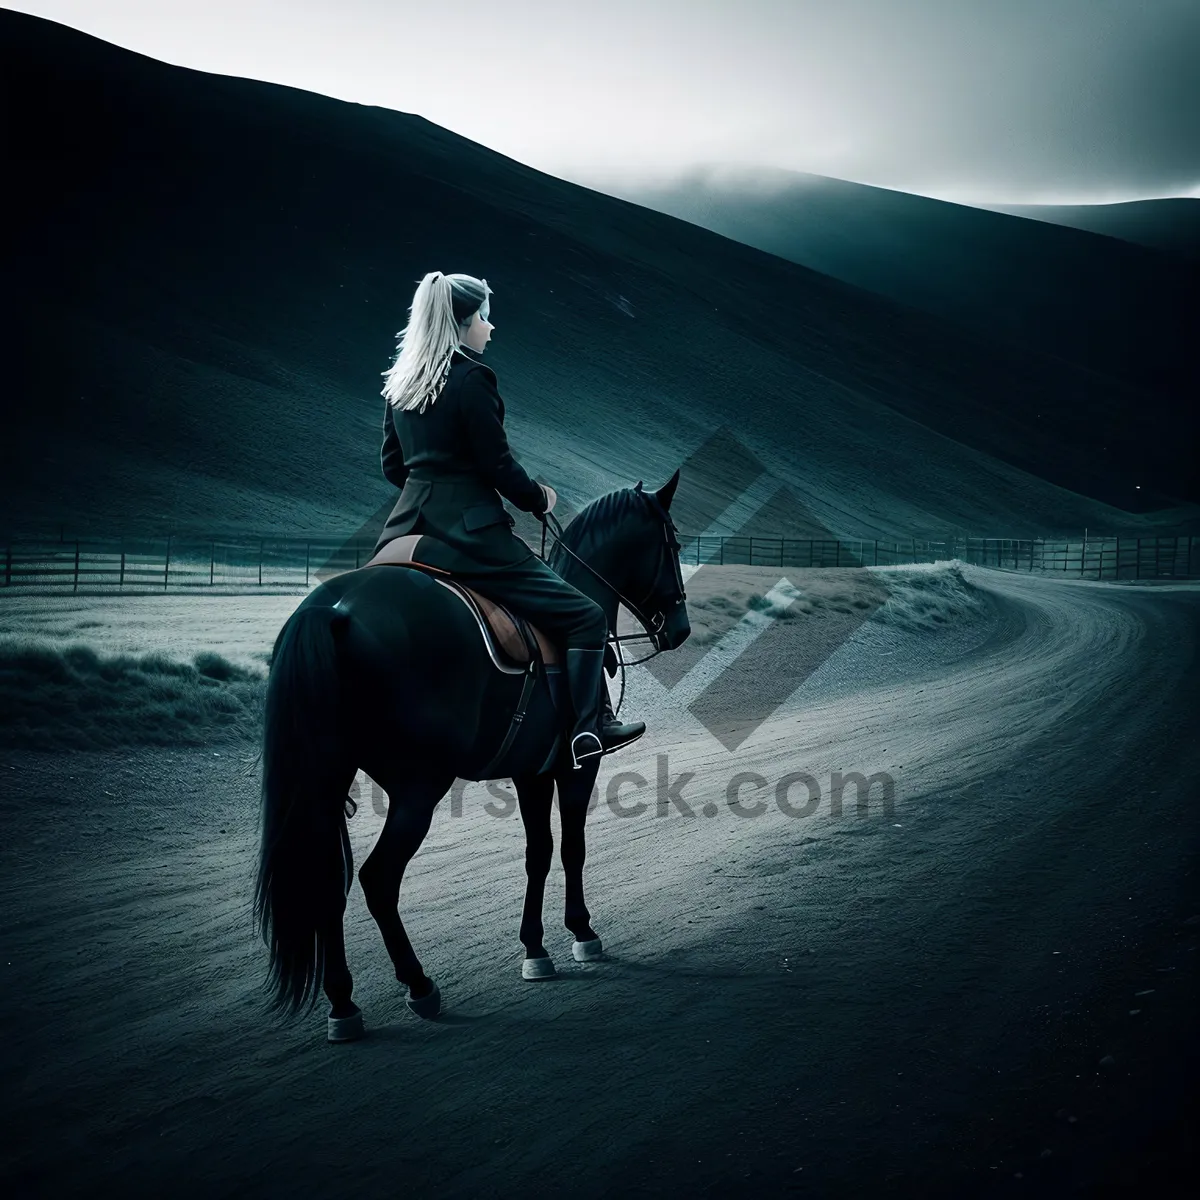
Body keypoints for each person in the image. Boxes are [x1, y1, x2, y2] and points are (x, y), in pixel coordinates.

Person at [373, 270, 645, 769]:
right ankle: (590, 729)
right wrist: (538, 496)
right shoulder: (474, 378)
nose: (490, 328)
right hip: (469, 537)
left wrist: (430, 489)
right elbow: (497, 465)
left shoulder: (402, 383)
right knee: (585, 616)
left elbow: (394, 466)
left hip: (404, 535)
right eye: (484, 317)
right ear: (463, 321)